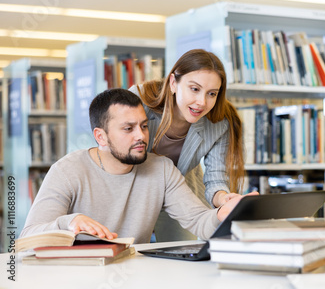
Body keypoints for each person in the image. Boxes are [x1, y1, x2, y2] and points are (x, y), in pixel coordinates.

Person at [20, 88, 248, 244]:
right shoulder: (67, 171)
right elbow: (28, 236)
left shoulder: (162, 169)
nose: (141, 136)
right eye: (128, 129)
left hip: (133, 276)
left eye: (144, 126)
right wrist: (69, 222)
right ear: (101, 136)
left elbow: (198, 221)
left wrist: (222, 214)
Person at [129, 49, 245, 241]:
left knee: (185, 252)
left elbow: (215, 178)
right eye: (194, 89)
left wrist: (224, 199)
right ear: (173, 83)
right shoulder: (139, 100)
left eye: (212, 93)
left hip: (180, 189)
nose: (202, 102)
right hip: (133, 187)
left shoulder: (219, 123)